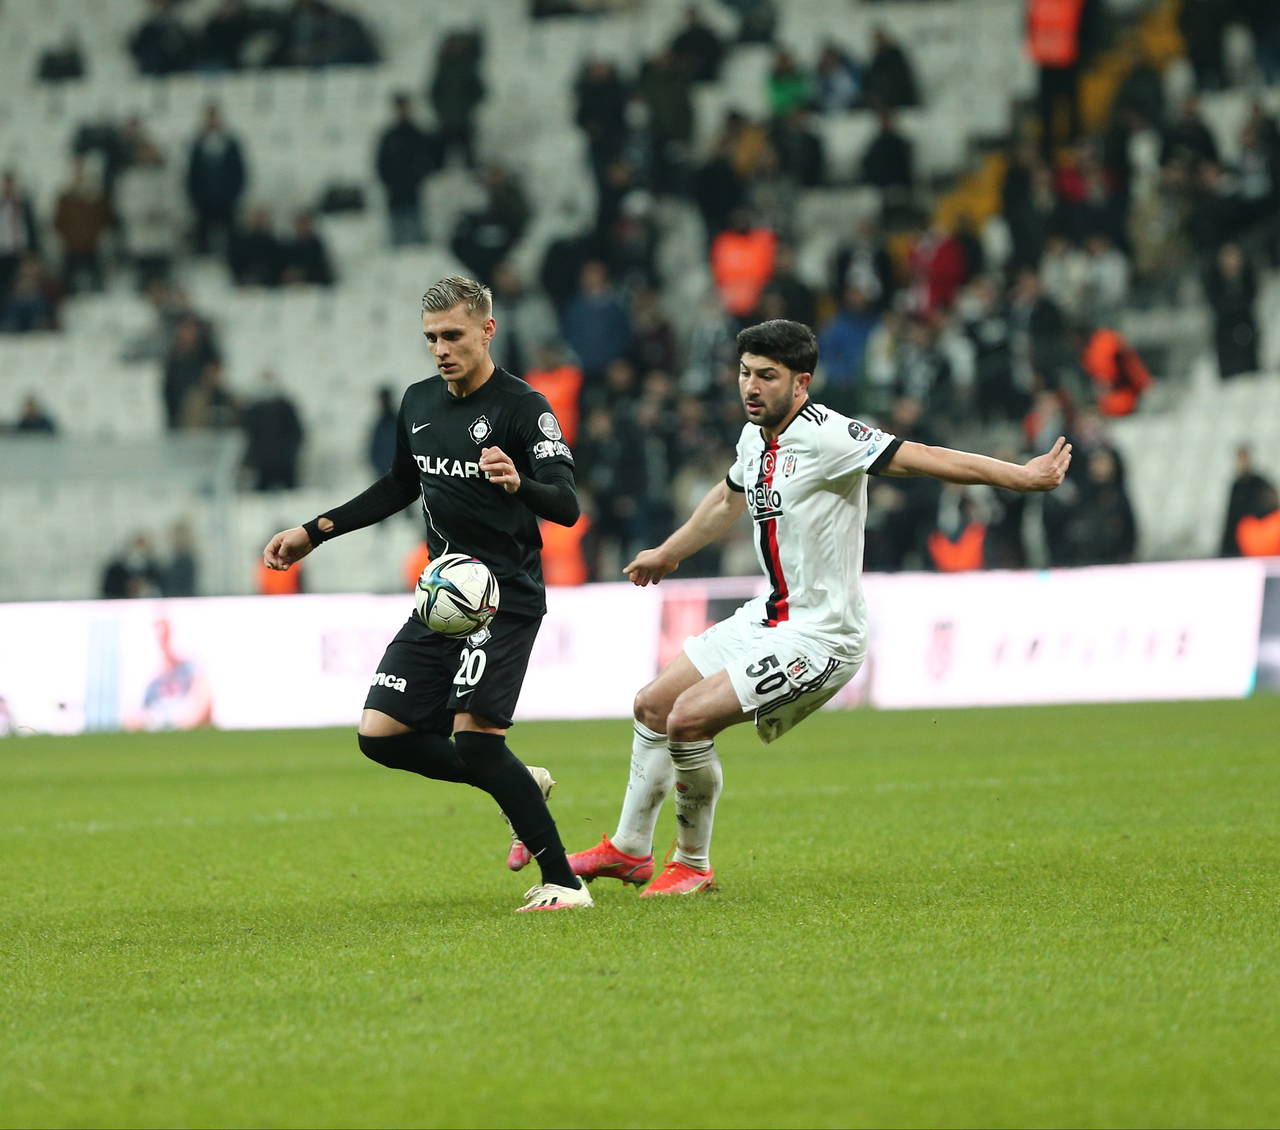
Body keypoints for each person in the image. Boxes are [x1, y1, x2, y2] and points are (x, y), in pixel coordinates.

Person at [567, 319, 1071, 896]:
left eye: (767, 376)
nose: (750, 386)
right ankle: (630, 848)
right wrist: (668, 553)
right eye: (744, 373)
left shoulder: (831, 436)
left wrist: (1019, 476)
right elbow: (726, 500)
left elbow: (923, 457)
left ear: (801, 383)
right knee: (653, 704)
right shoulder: (754, 436)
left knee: (688, 719)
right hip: (769, 616)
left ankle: (692, 864)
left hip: (823, 635)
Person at [262, 275, 592, 914]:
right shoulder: (417, 402)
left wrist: (519, 483)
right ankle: (519, 783)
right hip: (444, 596)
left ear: (487, 331)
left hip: (503, 597)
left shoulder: (525, 408)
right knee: (381, 734)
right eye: (431, 338)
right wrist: (314, 531)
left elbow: (567, 506)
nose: (441, 349)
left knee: (477, 742)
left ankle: (564, 882)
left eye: (453, 335)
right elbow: (397, 485)